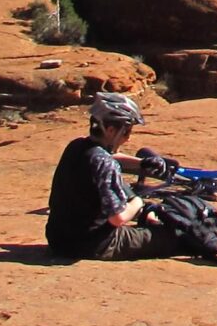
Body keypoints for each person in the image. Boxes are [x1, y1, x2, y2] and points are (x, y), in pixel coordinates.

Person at [45, 90, 179, 261]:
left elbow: (106, 159)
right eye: (126, 132)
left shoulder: (77, 146)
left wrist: (141, 164)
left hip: (59, 240)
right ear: (110, 130)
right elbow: (117, 219)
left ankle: (146, 214)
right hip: (95, 245)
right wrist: (137, 202)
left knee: (117, 185)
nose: (128, 138)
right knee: (172, 237)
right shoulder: (104, 163)